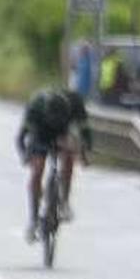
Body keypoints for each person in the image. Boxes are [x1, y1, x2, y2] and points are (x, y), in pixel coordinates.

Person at [16, 88, 92, 243]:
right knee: (37, 170)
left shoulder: (75, 103)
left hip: (63, 133)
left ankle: (64, 201)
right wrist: (25, 155)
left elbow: (85, 132)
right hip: (40, 134)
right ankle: (34, 219)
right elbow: (21, 137)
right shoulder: (36, 107)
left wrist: (84, 153)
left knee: (69, 156)